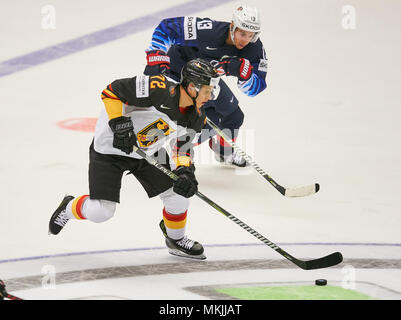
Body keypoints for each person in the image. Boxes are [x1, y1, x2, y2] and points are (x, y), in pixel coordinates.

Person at [48, 59, 220, 260]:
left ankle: (176, 239)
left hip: (148, 151)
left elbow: (182, 150)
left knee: (179, 197)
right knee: (101, 212)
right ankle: (69, 207)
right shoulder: (158, 87)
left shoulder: (196, 117)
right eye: (208, 91)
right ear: (192, 87)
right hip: (109, 150)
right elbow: (111, 91)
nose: (211, 96)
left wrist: (185, 172)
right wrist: (119, 122)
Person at [144, 4, 267, 167]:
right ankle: (180, 149)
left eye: (251, 35)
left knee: (233, 117)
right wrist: (157, 56)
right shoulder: (209, 31)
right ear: (232, 26)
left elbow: (255, 88)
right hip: (176, 73)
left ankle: (223, 152)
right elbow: (166, 28)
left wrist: (246, 76)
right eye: (242, 33)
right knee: (185, 118)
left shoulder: (254, 49)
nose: (245, 39)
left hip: (206, 80)